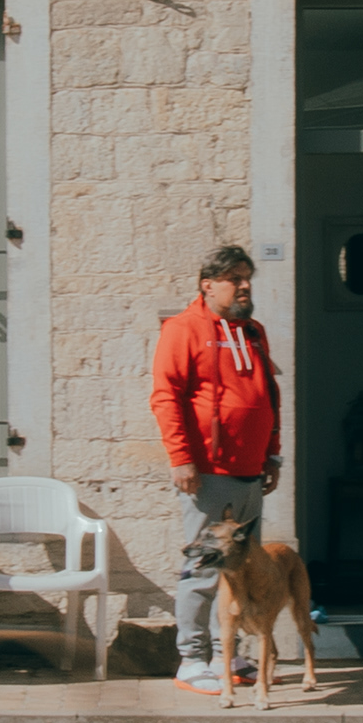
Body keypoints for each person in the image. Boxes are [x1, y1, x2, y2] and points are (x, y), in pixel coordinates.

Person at [150, 244, 279, 697]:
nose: (244, 287)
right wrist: (181, 458)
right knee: (203, 569)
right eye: (235, 279)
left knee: (242, 571)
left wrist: (273, 454)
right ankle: (191, 659)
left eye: (247, 279)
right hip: (208, 472)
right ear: (208, 284)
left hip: (251, 471)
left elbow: (268, 396)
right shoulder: (183, 329)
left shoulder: (254, 332)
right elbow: (166, 396)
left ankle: (231, 654)